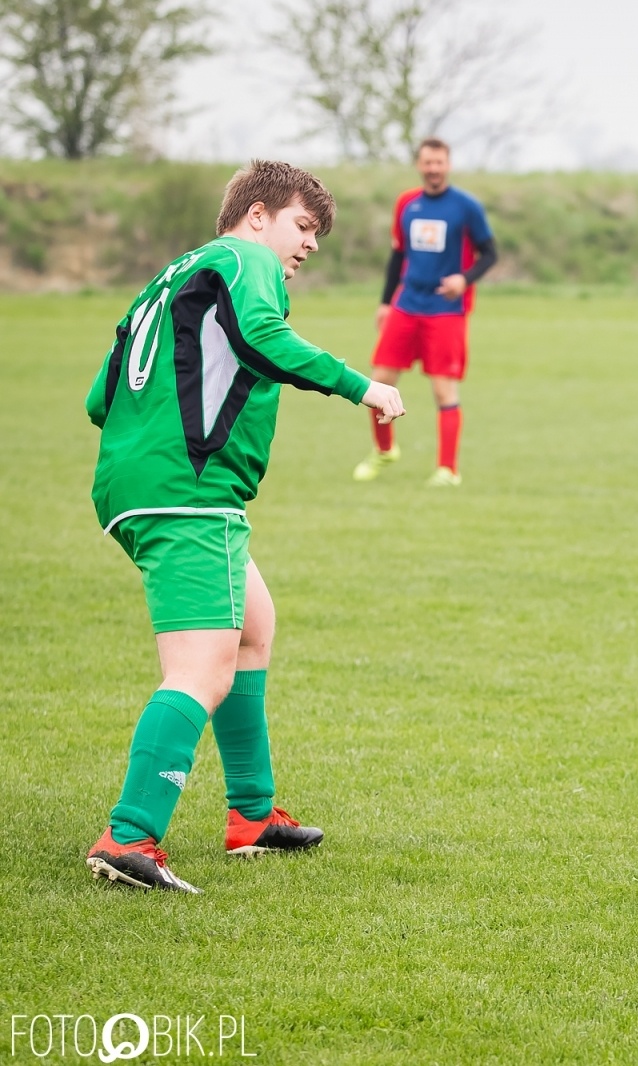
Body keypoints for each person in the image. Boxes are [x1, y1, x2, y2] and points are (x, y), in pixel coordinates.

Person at [84, 160, 406, 893]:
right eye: (302, 226)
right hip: (188, 492)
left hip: (144, 486)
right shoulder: (243, 258)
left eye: (316, 236)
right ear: (255, 215)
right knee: (202, 669)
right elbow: (261, 335)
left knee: (254, 628)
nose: (308, 246)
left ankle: (252, 816)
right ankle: (129, 835)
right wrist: (362, 385)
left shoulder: (172, 275)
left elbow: (100, 398)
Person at [353, 138, 497, 487]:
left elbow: (490, 253)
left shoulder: (466, 207)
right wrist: (386, 302)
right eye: (427, 163)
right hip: (406, 304)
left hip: (446, 310)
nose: (433, 169)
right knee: (379, 380)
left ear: (448, 165)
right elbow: (398, 257)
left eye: (439, 163)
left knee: (443, 391)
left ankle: (447, 470)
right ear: (419, 165)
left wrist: (465, 279)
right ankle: (384, 451)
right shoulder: (407, 203)